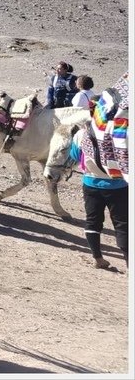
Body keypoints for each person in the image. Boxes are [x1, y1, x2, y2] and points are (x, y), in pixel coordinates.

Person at [66, 72, 128, 269]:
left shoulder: (82, 134)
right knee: (123, 225)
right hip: (118, 185)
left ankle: (98, 258)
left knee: (93, 221)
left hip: (90, 183)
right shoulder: (118, 131)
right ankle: (129, 262)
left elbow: (75, 157)